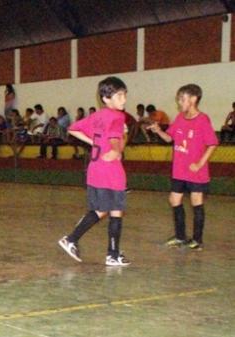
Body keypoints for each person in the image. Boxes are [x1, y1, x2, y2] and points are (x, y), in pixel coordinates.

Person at [58, 76, 131, 267]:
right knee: (113, 210)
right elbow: (117, 144)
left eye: (125, 95)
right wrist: (119, 143)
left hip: (95, 169)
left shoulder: (97, 116)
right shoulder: (117, 117)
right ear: (107, 98)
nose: (123, 99)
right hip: (110, 171)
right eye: (119, 95)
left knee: (104, 209)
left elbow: (73, 129)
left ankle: (111, 253)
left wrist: (95, 143)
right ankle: (76, 240)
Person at [148, 84, 218, 251]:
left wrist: (200, 163)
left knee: (196, 203)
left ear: (193, 99)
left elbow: (213, 144)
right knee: (174, 200)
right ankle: (180, 236)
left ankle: (197, 240)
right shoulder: (179, 118)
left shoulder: (203, 119)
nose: (179, 102)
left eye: (182, 99)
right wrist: (158, 131)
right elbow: (168, 139)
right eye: (178, 99)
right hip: (179, 170)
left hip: (195, 171)